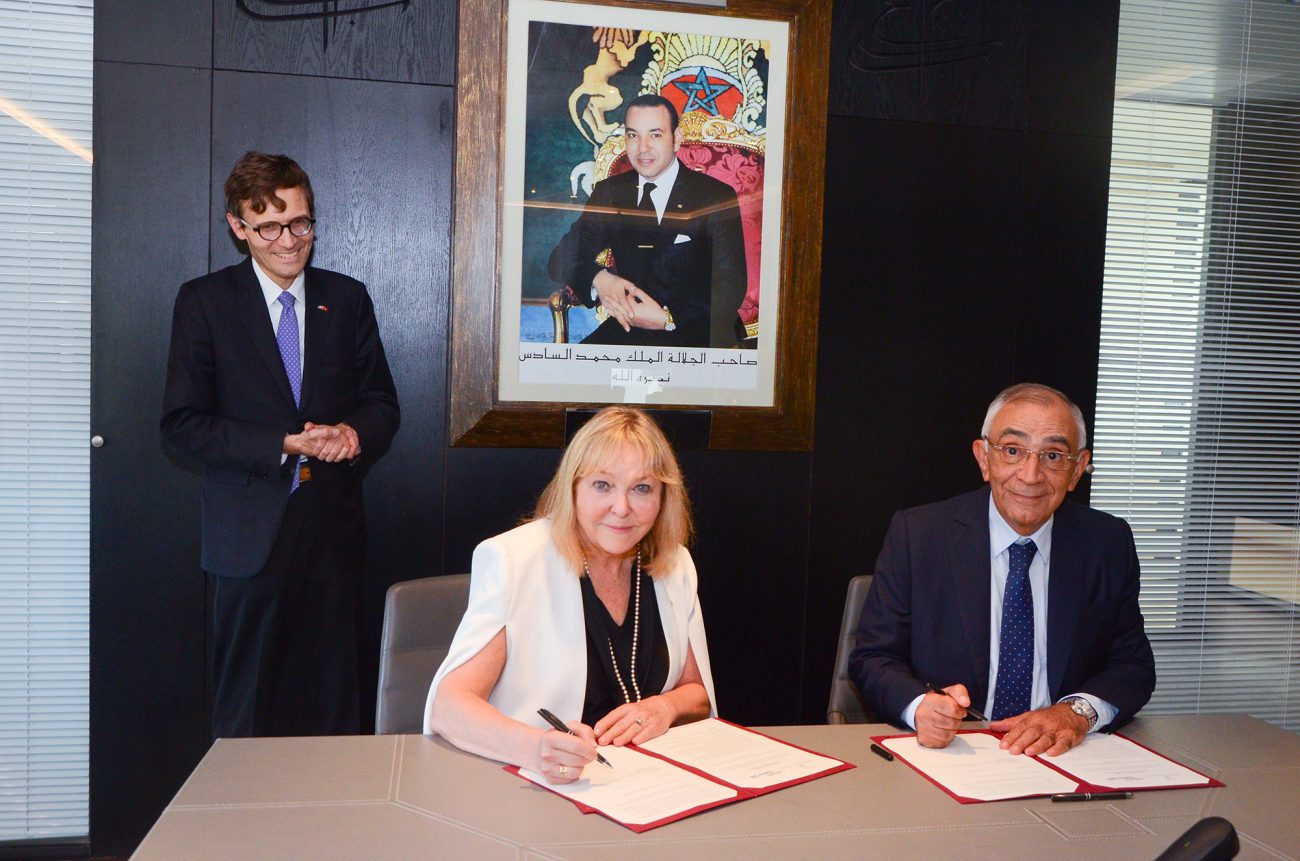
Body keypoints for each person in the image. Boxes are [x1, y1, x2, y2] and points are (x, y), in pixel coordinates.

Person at [161, 151, 400, 738]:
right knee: (246, 709)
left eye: (299, 223)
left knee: (337, 705)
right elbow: (182, 424)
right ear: (237, 227)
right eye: (269, 227)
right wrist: (283, 443)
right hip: (249, 537)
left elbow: (381, 404)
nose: (289, 241)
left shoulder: (347, 298)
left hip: (332, 535)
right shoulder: (205, 302)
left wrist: (352, 434)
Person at [849, 383, 1155, 757]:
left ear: (1076, 469)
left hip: (1063, 755)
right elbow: (873, 658)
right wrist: (919, 707)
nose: (1031, 475)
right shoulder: (919, 535)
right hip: (955, 752)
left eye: (1053, 455)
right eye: (1012, 450)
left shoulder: (1107, 543)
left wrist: (1075, 713)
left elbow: (1132, 666)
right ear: (983, 459)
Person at [424, 406, 715, 783]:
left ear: (663, 497)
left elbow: (697, 694)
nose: (622, 508)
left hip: (644, 785)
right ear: (572, 488)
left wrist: (664, 707)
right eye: (602, 485)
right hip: (536, 786)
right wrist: (535, 748)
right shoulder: (516, 560)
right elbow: (448, 705)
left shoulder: (674, 564)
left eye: (641, 488)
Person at [547, 93, 747, 349]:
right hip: (629, 330)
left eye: (655, 135)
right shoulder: (611, 193)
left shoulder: (715, 195)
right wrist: (599, 278)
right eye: (633, 135)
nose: (643, 148)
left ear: (676, 139)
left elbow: (731, 284)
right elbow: (560, 258)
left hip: (701, 331)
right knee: (571, 372)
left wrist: (668, 319)